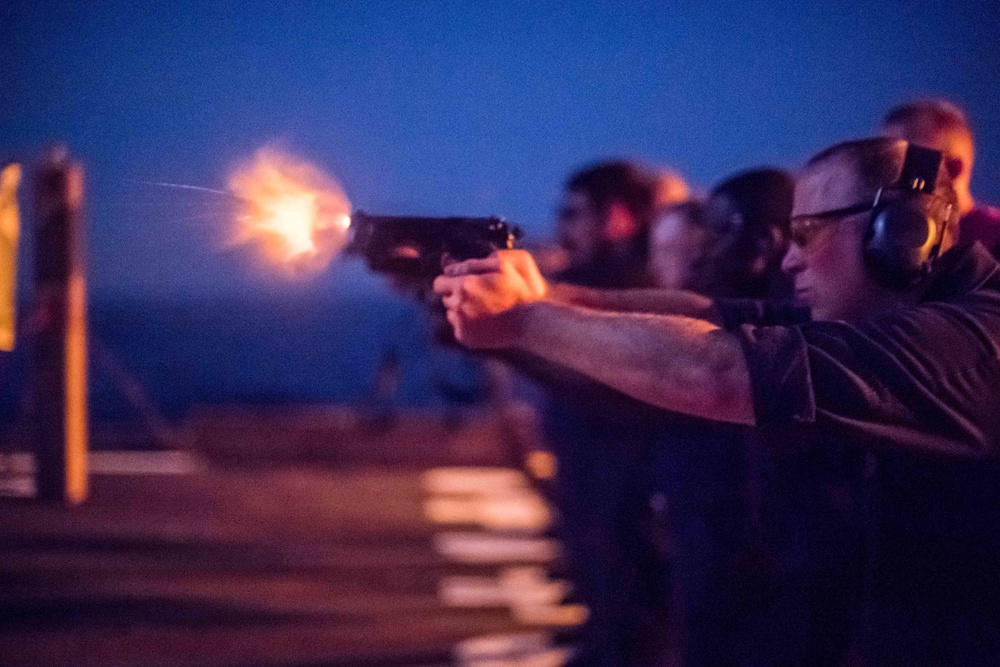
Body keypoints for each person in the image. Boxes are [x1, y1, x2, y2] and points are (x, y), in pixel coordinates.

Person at [436, 137, 1000, 666]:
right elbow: (711, 318)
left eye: (806, 234)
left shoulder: (964, 345)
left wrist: (524, 320)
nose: (789, 262)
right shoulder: (896, 317)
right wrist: (543, 294)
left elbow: (718, 370)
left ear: (897, 236)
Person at [531, 159, 685, 666]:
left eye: (574, 213)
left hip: (625, 484)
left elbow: (596, 378)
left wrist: (505, 332)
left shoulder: (628, 287)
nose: (563, 227)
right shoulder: (608, 279)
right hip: (603, 475)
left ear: (617, 216)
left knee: (626, 615)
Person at [882, 99, 1000, 256]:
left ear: (954, 168)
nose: (890, 173)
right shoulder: (889, 231)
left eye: (909, 161)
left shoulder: (994, 235)